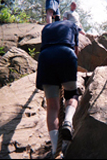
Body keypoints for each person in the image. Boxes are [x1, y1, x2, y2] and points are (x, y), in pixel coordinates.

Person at [36, 20, 80, 157]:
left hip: (46, 58)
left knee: (52, 107)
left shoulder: (46, 28)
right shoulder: (72, 25)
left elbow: (43, 46)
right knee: (72, 95)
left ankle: (56, 150)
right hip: (66, 54)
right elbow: (76, 49)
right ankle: (67, 121)